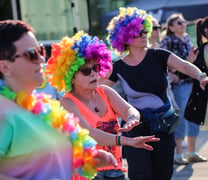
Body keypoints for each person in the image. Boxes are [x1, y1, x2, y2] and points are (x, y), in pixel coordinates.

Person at [0, 19, 119, 180]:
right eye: (31, 54)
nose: (42, 60)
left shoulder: (41, 106)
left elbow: (43, 166)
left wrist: (86, 162)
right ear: (5, 67)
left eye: (40, 51)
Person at [103, 7, 208, 180]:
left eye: (145, 30)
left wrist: (201, 76)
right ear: (126, 37)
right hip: (135, 128)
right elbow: (100, 90)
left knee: (163, 174)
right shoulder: (118, 67)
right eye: (139, 32)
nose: (145, 34)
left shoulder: (158, 55)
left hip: (164, 125)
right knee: (140, 174)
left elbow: (184, 65)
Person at [45, 31, 160, 180]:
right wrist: (126, 141)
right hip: (87, 172)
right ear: (71, 77)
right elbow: (89, 134)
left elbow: (129, 109)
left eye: (96, 68)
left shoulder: (105, 91)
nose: (94, 74)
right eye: (86, 71)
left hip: (114, 168)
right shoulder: (67, 103)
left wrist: (131, 118)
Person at [159, 13, 206, 165]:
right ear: (171, 27)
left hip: (191, 82)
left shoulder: (186, 38)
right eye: (179, 23)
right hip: (178, 85)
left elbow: (187, 62)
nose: (183, 24)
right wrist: (171, 74)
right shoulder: (167, 40)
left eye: (184, 22)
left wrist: (191, 62)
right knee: (181, 118)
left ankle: (191, 152)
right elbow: (161, 62)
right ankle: (178, 154)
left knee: (194, 116)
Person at [184, 16, 208, 162]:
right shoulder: (199, 51)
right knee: (193, 123)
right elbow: (186, 73)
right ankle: (190, 152)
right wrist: (190, 63)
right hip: (202, 95)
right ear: (206, 30)